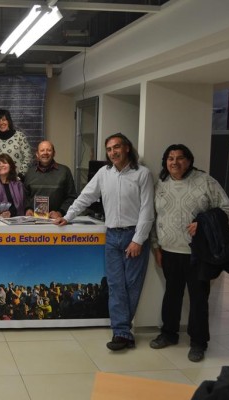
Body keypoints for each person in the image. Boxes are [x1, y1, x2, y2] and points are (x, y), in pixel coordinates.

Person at [56, 133, 154, 351]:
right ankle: (121, 332)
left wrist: (138, 240)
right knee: (115, 285)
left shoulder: (142, 174)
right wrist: (68, 216)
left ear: (127, 148)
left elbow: (147, 210)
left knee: (131, 285)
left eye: (116, 147)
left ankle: (123, 331)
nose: (112, 152)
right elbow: (86, 196)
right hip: (112, 236)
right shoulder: (104, 173)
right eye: (109, 149)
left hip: (133, 235)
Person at [149, 144, 229, 362]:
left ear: (189, 161)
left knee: (198, 299)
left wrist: (203, 223)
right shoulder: (161, 184)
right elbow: (154, 218)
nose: (175, 162)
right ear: (165, 162)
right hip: (169, 251)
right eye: (170, 158)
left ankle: (198, 342)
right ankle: (169, 334)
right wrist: (156, 247)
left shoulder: (205, 181)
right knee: (171, 295)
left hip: (198, 253)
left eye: (180, 158)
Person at [24, 141, 77, 219]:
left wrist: (60, 212)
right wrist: (28, 209)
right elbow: (25, 196)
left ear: (54, 153)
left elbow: (71, 197)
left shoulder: (64, 171)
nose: (45, 153)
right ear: (37, 154)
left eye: (49, 150)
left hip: (57, 220)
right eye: (42, 150)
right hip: (34, 219)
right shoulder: (30, 172)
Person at [0, 109, 32, 177]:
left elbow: (28, 158)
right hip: (2, 179)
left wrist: (20, 175)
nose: (1, 123)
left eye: (4, 120)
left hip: (20, 178)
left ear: (8, 121)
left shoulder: (20, 136)